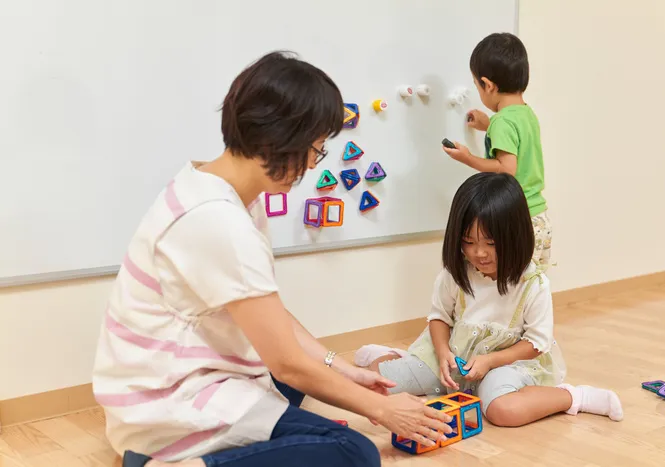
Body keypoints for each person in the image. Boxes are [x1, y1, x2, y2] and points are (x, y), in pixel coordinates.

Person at [92, 51, 453, 467]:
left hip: (167, 382)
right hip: (167, 404)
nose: (312, 163)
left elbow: (270, 316)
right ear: (281, 139)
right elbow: (286, 361)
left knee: (303, 386)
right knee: (354, 452)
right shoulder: (217, 222)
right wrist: (383, 410)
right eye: (315, 149)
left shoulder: (216, 184)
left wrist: (342, 370)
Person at [354, 173, 623, 427]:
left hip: (508, 362)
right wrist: (443, 352)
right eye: (468, 242)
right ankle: (392, 356)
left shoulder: (533, 285)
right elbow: (439, 318)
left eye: (491, 243)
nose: (479, 253)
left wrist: (491, 361)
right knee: (378, 382)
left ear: (515, 236)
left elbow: (537, 343)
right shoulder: (454, 274)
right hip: (456, 355)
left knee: (501, 410)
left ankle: (575, 397)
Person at [442, 33, 552, 266]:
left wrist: (468, 158)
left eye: (477, 86)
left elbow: (506, 168)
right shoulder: (525, 113)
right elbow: (517, 145)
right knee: (531, 286)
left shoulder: (503, 122)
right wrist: (488, 125)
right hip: (538, 216)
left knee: (509, 289)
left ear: (488, 85)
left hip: (516, 217)